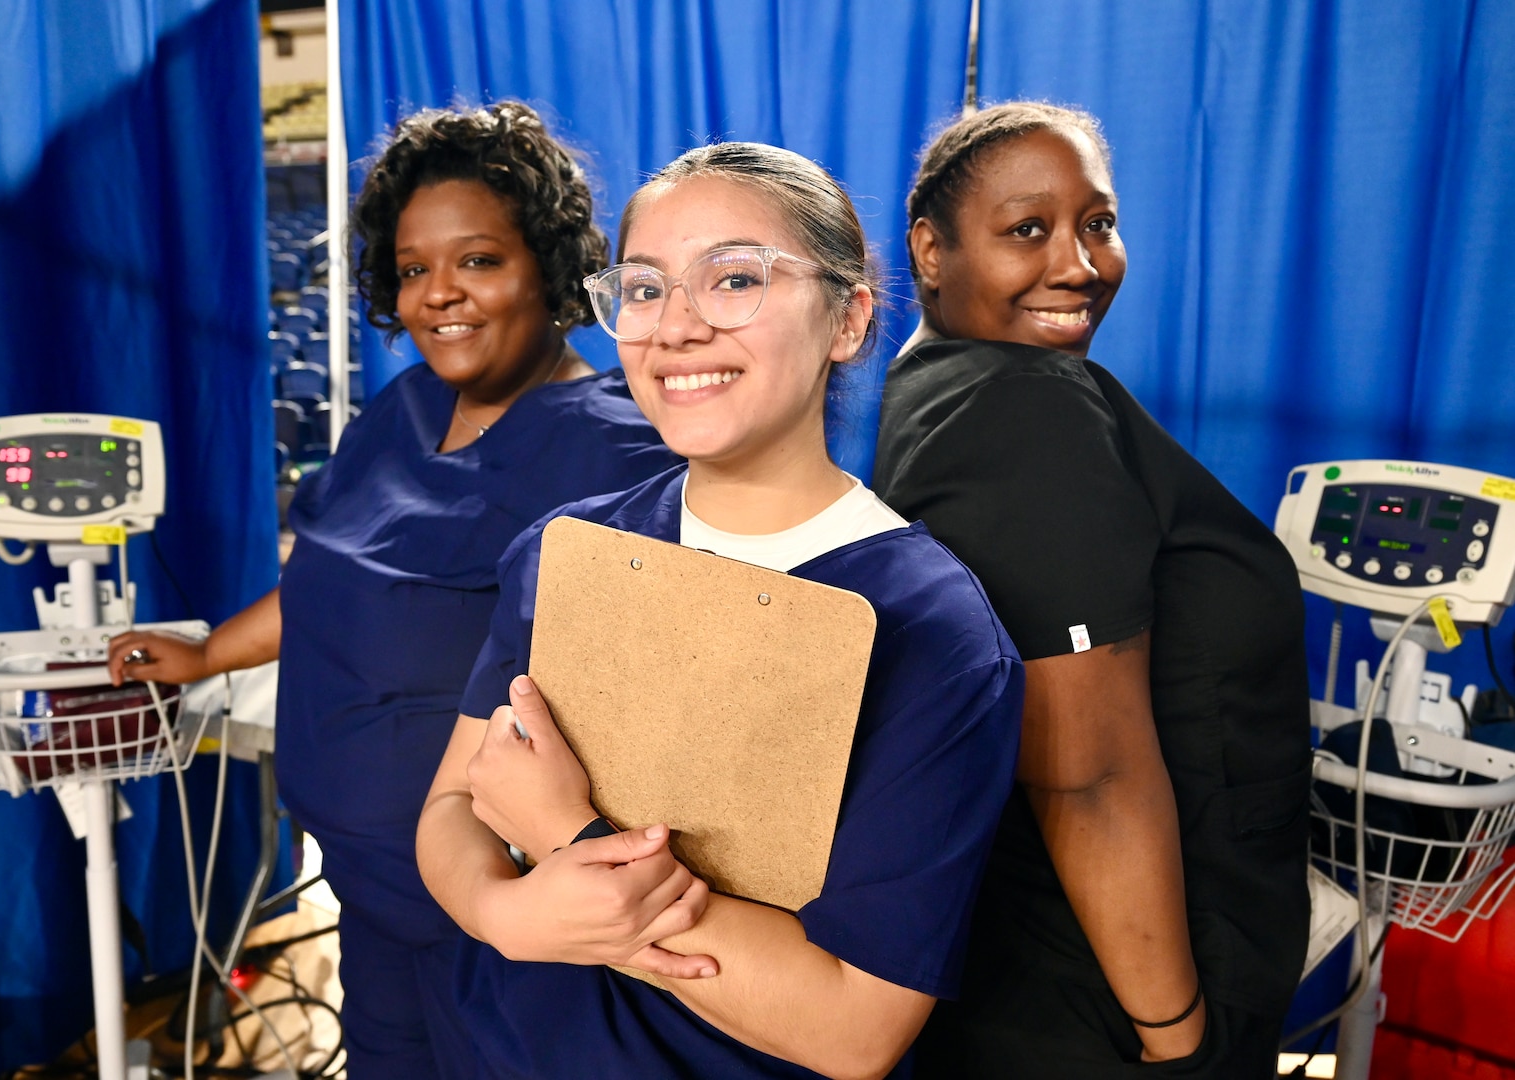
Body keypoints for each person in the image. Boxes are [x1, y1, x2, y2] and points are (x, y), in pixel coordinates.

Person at [414, 142, 1025, 1079]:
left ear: (849, 318)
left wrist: (565, 842)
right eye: (647, 288)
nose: (676, 327)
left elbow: (853, 1029)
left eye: (734, 279)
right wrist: (503, 913)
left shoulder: (930, 630)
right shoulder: (568, 549)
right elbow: (453, 803)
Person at [105, 102, 678, 1077]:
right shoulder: (402, 409)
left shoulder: (619, 446)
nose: (438, 295)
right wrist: (205, 656)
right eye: (415, 269)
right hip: (370, 895)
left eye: (479, 261)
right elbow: (328, 575)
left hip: (505, 927)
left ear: (546, 263)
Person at [872, 102, 1311, 1077]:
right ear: (930, 252)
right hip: (1116, 990)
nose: (1078, 264)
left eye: (1099, 224)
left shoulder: (920, 388)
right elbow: (1090, 777)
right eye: (1027, 229)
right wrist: (1179, 1035)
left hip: (1026, 948)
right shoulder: (1027, 407)